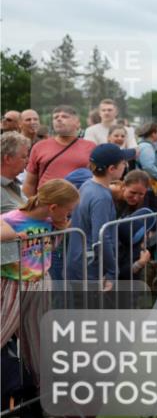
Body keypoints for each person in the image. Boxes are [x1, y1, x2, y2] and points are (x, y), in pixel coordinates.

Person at [0, 179, 79, 378]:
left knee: (39, 341)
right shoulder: (11, 220)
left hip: (40, 283)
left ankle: (46, 387)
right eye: (68, 210)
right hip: (13, 286)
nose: (69, 215)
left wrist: (62, 225)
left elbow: (50, 247)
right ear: (53, 207)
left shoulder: (51, 221)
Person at [66, 144, 133, 288]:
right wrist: (111, 271)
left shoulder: (87, 185)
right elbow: (101, 238)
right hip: (91, 268)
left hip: (78, 261)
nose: (125, 166)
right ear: (111, 169)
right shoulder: (101, 197)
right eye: (123, 163)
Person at [22, 106, 96, 197]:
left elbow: (98, 179)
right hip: (45, 204)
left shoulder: (91, 147)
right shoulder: (39, 147)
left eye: (64, 116)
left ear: (77, 123)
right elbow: (30, 183)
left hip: (78, 203)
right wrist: (28, 207)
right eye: (55, 117)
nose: (59, 119)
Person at [111, 170, 156, 283]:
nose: (136, 198)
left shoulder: (137, 204)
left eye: (141, 194)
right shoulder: (109, 200)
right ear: (124, 186)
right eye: (132, 192)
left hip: (126, 256)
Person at [1, 132, 31, 266]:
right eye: (23, 157)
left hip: (21, 265)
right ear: (7, 158)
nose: (27, 161)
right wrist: (12, 234)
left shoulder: (15, 184)